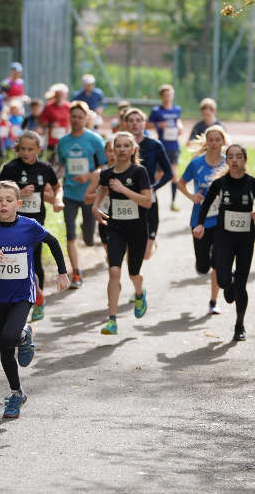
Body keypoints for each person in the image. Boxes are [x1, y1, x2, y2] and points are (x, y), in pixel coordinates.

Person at [0, 181, 69, 418]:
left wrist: (63, 271)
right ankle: (16, 394)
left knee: (10, 336)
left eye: (9, 200)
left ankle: (24, 333)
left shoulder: (29, 226)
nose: (4, 204)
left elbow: (53, 242)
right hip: (0, 297)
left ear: (19, 203)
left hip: (23, 295)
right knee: (5, 349)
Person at [194, 144, 255, 342]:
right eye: (231, 157)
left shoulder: (254, 184)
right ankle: (229, 283)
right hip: (223, 237)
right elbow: (206, 204)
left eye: (239, 156)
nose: (234, 160)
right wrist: (200, 224)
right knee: (224, 281)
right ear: (227, 160)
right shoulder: (219, 183)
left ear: (245, 159)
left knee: (241, 286)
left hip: (245, 239)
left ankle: (239, 325)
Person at [0, 131, 63, 321]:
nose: (26, 153)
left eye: (30, 149)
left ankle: (37, 301)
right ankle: (21, 299)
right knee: (17, 261)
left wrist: (57, 200)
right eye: (22, 149)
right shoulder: (11, 168)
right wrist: (18, 193)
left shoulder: (45, 168)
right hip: (12, 221)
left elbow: (57, 186)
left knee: (34, 260)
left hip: (35, 222)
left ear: (38, 149)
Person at [92, 132, 152, 335]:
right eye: (119, 146)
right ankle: (112, 320)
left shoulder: (139, 172)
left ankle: (138, 292)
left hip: (137, 230)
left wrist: (123, 189)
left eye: (127, 146)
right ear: (113, 149)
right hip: (115, 228)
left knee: (133, 272)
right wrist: (95, 207)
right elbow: (100, 192)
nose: (122, 149)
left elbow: (147, 201)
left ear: (133, 149)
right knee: (114, 271)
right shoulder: (107, 173)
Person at [56, 101, 107, 289]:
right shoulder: (63, 142)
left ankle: (88, 232)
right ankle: (76, 272)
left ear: (86, 118)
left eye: (80, 117)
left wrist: (89, 175)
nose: (76, 120)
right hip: (69, 192)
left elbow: (104, 166)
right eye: (74, 117)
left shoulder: (94, 140)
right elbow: (61, 165)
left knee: (87, 238)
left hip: (89, 194)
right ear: (70, 118)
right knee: (70, 234)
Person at [177, 125, 227, 315]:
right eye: (211, 140)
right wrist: (191, 196)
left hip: (221, 220)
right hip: (200, 219)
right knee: (203, 265)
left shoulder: (227, 163)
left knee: (218, 262)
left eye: (217, 139)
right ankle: (201, 264)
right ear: (206, 142)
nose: (214, 143)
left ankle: (213, 302)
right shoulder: (197, 163)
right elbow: (181, 183)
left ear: (223, 142)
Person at [124, 108, 172, 260]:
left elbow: (169, 173)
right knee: (131, 251)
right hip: (125, 194)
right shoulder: (120, 144)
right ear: (126, 124)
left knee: (145, 255)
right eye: (131, 121)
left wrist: (153, 188)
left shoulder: (154, 145)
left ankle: (150, 241)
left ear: (144, 124)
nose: (135, 124)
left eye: (138, 120)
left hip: (147, 194)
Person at [147, 84, 183, 211]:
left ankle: (173, 202)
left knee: (173, 175)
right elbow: (147, 125)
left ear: (172, 96)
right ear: (161, 97)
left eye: (170, 95)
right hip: (162, 146)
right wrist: (158, 124)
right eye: (165, 95)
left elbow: (178, 121)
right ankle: (151, 198)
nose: (168, 97)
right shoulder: (157, 111)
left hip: (174, 146)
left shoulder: (177, 109)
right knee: (158, 175)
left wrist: (180, 127)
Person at [84, 140, 115, 256]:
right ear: (105, 153)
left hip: (124, 217)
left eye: (114, 150)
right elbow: (87, 198)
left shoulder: (130, 171)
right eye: (109, 151)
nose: (112, 154)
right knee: (112, 258)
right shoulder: (99, 173)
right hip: (105, 216)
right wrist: (102, 193)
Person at [39, 83, 71, 158]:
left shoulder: (68, 107)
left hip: (65, 136)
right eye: (58, 94)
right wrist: (50, 124)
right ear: (54, 95)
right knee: (52, 158)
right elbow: (42, 122)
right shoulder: (48, 107)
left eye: (62, 94)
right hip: (52, 138)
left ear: (65, 95)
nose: (60, 96)